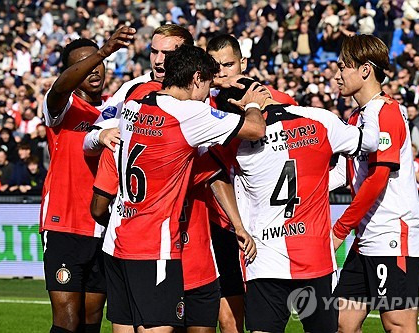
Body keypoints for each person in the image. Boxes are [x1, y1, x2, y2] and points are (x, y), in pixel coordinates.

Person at [89, 44, 268, 333]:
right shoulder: (189, 115)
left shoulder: (137, 105)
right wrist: (253, 104)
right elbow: (255, 130)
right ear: (197, 78)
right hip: (152, 247)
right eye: (208, 84)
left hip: (116, 240)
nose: (208, 94)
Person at [208, 76, 379, 333]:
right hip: (315, 256)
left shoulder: (235, 141)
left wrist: (238, 225)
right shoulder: (320, 119)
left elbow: (213, 175)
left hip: (264, 257)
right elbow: (370, 142)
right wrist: (374, 103)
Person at [40, 26, 136, 333]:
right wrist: (104, 50)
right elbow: (57, 90)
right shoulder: (62, 107)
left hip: (104, 224)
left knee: (92, 321)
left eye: (99, 64)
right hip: (64, 224)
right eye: (85, 64)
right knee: (67, 321)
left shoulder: (117, 108)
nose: (94, 69)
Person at [330, 35, 419, 333]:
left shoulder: (387, 111)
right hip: (366, 238)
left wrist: (340, 229)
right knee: (342, 322)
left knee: (397, 325)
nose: (337, 74)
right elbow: (347, 175)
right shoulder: (356, 117)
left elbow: (378, 178)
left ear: (365, 70)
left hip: (392, 233)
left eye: (344, 67)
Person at [206, 34, 297, 333]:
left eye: (228, 64)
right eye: (214, 66)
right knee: (229, 318)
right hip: (221, 224)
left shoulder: (279, 101)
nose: (221, 72)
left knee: (265, 320)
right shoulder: (202, 107)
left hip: (266, 226)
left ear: (243, 64)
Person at [83, 24, 195, 155]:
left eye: (167, 53)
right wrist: (101, 135)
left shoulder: (200, 89)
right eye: (154, 52)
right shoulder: (132, 88)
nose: (158, 60)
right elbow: (88, 142)